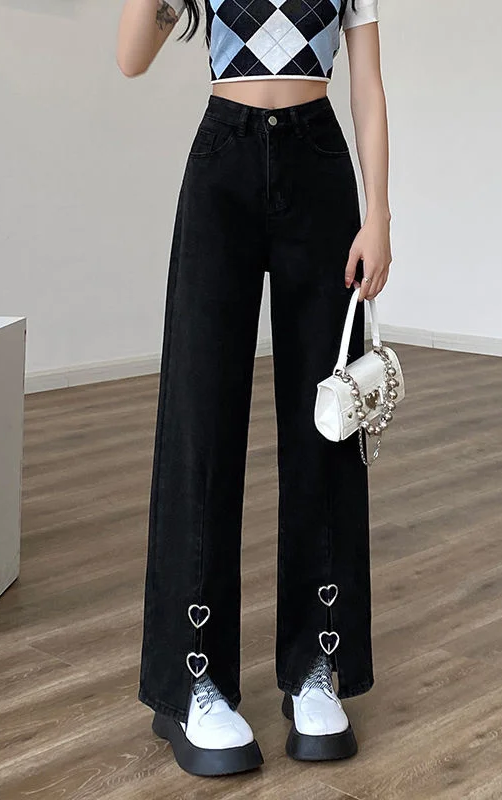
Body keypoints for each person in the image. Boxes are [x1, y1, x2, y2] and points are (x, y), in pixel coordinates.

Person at [116, 0, 392, 778]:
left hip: (319, 163)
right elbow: (130, 58)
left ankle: (317, 663)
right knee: (201, 421)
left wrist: (379, 215)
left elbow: (367, 86)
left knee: (327, 422)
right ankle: (194, 678)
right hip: (223, 162)